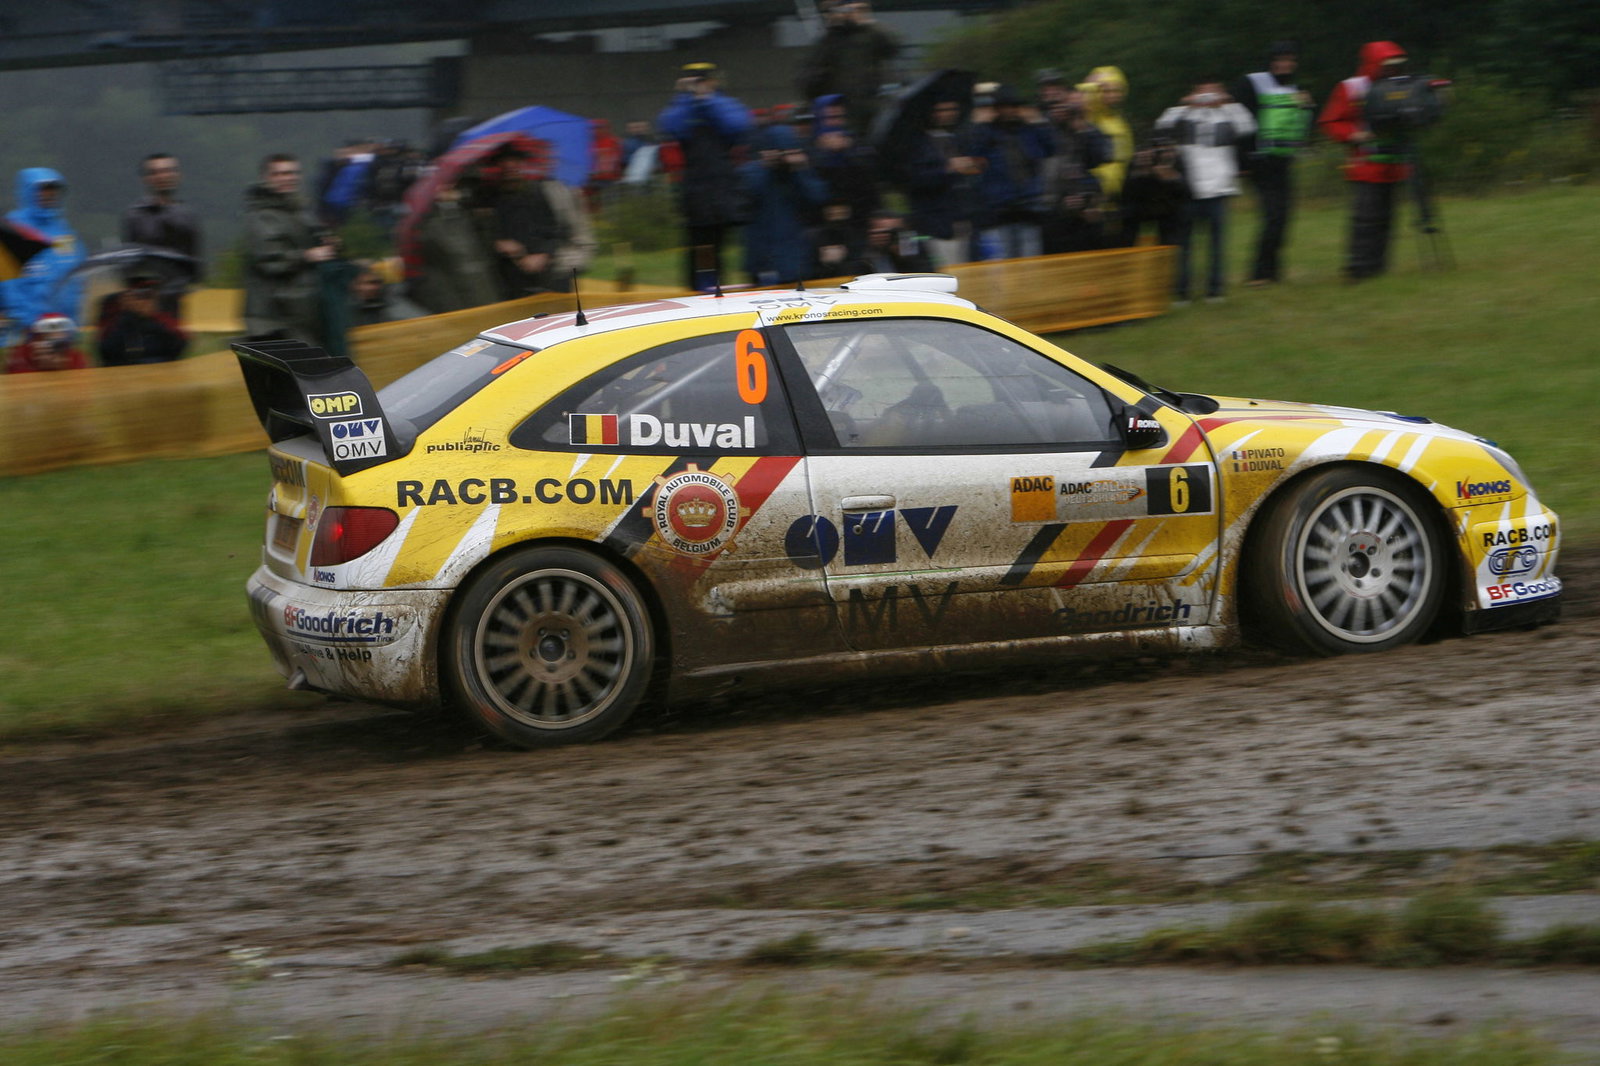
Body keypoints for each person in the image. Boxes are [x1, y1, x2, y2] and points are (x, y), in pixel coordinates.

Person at [1320, 41, 1413, 281]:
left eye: (1396, 65)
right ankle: (1358, 269)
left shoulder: (1402, 85)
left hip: (1394, 161)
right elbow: (1330, 122)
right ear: (1375, 64)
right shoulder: (1351, 88)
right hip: (1366, 164)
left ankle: (1379, 268)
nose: (1392, 69)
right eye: (1387, 65)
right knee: (1365, 220)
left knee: (1387, 219)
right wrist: (1354, 135)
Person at [1155, 80, 1255, 302]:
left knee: (1217, 244)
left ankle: (1215, 289)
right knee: (1184, 245)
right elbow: (1162, 125)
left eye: (1213, 90)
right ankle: (1181, 292)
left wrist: (1227, 103)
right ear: (1193, 93)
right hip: (1188, 189)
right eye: (1202, 91)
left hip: (1219, 190)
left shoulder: (1228, 115)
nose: (1207, 95)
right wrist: (1186, 105)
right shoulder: (1184, 116)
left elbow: (1248, 126)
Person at [657, 62, 753, 290]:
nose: (699, 85)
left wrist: (708, 99)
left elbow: (739, 125)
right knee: (699, 248)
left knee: (720, 245)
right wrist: (686, 98)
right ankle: (703, 287)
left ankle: (718, 284)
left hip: (722, 187)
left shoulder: (724, 103)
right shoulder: (683, 106)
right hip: (696, 190)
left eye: (703, 80)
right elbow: (670, 126)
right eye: (695, 81)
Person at [1235, 42, 1316, 285]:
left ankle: (1271, 272)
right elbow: (1236, 123)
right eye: (1281, 59)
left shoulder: (1295, 89)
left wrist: (1309, 106)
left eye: (1290, 60)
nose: (1286, 64)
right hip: (1257, 162)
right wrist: (1241, 160)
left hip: (1282, 161)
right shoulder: (1250, 83)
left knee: (1283, 217)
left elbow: (1302, 126)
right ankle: (1259, 274)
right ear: (1271, 61)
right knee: (1273, 215)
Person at [242, 153, 339, 345]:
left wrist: (329, 244)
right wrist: (308, 255)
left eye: (293, 173)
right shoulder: (261, 216)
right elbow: (270, 260)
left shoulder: (300, 212)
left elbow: (315, 240)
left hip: (303, 311)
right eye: (280, 174)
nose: (288, 178)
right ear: (266, 178)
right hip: (273, 317)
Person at [488, 148, 596, 298]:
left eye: (514, 162)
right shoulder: (493, 198)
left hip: (550, 270)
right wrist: (498, 243)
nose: (510, 166)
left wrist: (543, 254)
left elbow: (558, 230)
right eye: (505, 162)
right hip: (511, 276)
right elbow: (488, 232)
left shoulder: (541, 192)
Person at [968, 85, 1055, 260]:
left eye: (1013, 106)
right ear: (997, 109)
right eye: (1004, 107)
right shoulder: (985, 132)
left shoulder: (1029, 130)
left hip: (1029, 207)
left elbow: (1050, 149)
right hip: (999, 209)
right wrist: (977, 125)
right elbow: (973, 156)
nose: (1010, 111)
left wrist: (1039, 122)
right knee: (1003, 264)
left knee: (1031, 263)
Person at [898, 97, 983, 268]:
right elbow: (914, 179)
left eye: (952, 109)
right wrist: (948, 168)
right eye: (941, 110)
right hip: (936, 223)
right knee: (947, 273)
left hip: (963, 218)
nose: (948, 114)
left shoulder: (957, 137)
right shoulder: (916, 143)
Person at [739, 124, 829, 286]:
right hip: (762, 257)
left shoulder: (798, 173)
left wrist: (800, 168)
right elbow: (743, 200)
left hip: (796, 255)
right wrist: (766, 167)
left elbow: (818, 198)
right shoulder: (752, 171)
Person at [797, 0, 900, 137]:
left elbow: (893, 48)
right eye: (834, 10)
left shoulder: (869, 35)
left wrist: (866, 21)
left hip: (869, 107)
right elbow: (809, 76)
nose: (841, 13)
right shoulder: (828, 40)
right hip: (838, 112)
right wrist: (832, 29)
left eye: (844, 9)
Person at [1, 168, 86, 335]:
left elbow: (76, 279)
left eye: (53, 189)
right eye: (43, 189)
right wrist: (30, 323)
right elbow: (8, 287)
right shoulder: (12, 231)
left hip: (62, 331)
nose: (49, 194)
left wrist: (70, 323)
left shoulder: (65, 233)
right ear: (27, 191)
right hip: (25, 331)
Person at [120, 153, 202, 317]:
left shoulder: (187, 215)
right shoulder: (135, 215)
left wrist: (183, 286)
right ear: (146, 178)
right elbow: (129, 260)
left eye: (168, 170)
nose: (163, 176)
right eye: (155, 172)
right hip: (143, 298)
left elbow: (194, 259)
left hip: (175, 298)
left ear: (178, 175)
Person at [408, 177, 500, 314]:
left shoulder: (470, 212)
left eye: (451, 185)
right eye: (443, 186)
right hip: (454, 287)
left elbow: (485, 242)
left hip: (483, 280)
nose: (449, 188)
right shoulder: (427, 221)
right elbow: (441, 249)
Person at [1040, 87, 1111, 253]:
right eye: (1068, 105)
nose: (1071, 109)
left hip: (1082, 206)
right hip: (1054, 208)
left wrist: (1082, 128)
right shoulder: (1048, 130)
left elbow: (1099, 159)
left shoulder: (1089, 130)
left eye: (1077, 106)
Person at [1079, 67, 1133, 231]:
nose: (1111, 95)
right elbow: (1081, 101)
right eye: (1105, 90)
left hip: (1119, 193)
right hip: (1096, 194)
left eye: (1116, 90)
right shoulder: (1090, 116)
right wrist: (1089, 86)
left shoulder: (1120, 121)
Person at [97, 272, 188, 365]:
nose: (144, 298)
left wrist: (153, 316)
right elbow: (105, 350)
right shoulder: (113, 304)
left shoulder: (166, 304)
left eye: (148, 293)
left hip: (160, 367)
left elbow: (179, 347)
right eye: (139, 292)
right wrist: (125, 314)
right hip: (123, 369)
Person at [1117, 136, 1188, 248]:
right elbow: (1126, 194)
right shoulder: (1139, 161)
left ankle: (1169, 253)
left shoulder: (1178, 162)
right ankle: (1125, 254)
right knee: (1128, 218)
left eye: (1169, 151)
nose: (1165, 155)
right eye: (1160, 152)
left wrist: (1172, 178)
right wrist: (1143, 172)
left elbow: (1185, 192)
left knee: (1175, 220)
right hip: (1142, 205)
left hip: (1167, 207)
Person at [349, 263, 426, 327]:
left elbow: (420, 322)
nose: (371, 287)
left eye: (375, 282)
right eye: (363, 283)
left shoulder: (395, 305)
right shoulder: (344, 310)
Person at [5, 314, 87, 373]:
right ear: (36, 340)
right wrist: (37, 365)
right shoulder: (20, 355)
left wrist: (63, 367)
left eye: (59, 343)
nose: (53, 347)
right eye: (48, 341)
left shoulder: (75, 356)